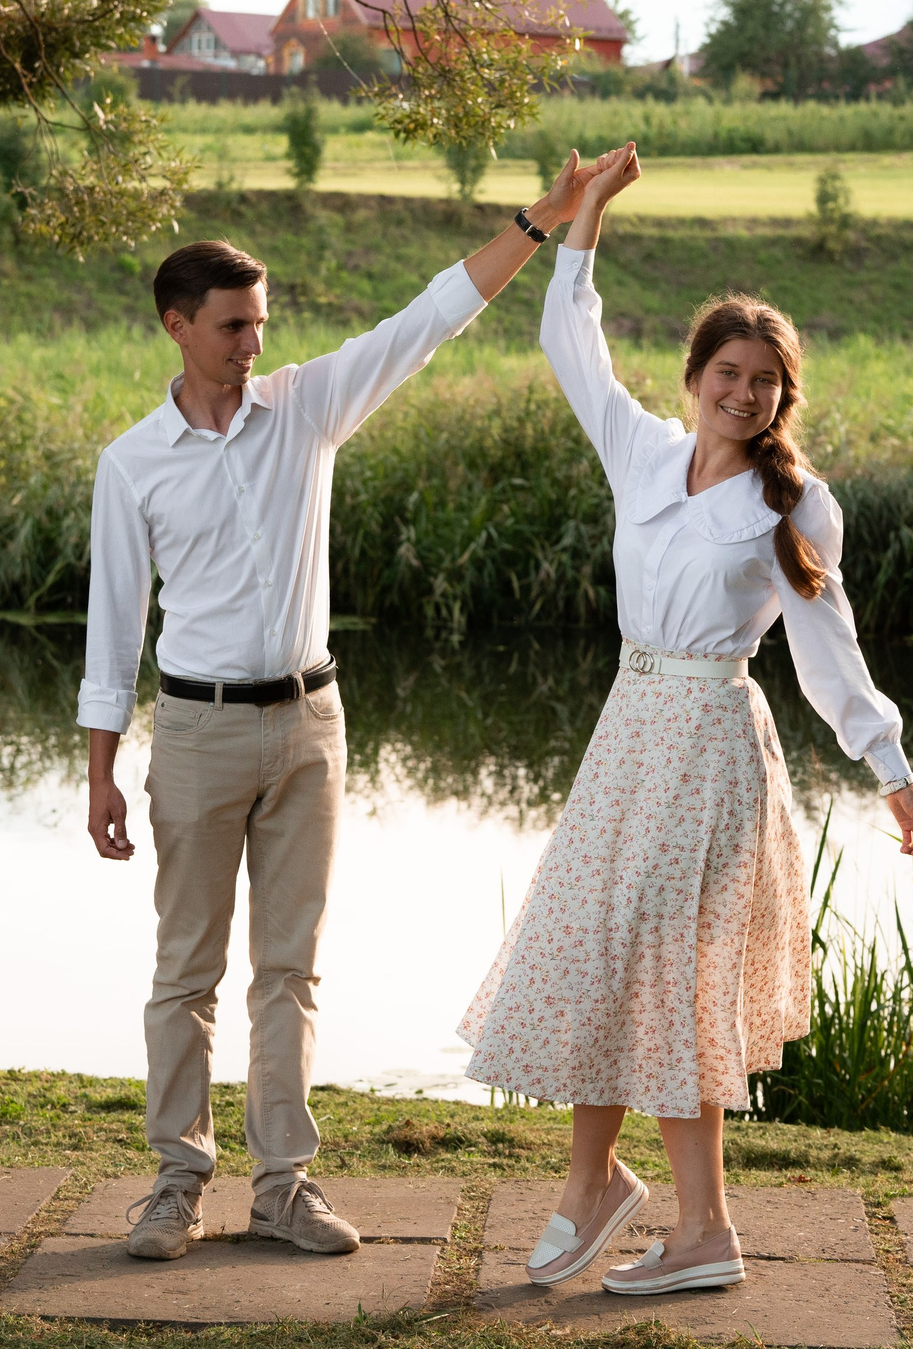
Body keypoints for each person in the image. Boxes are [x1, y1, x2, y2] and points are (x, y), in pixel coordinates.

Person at [80, 165, 596, 1262]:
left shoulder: (307, 403)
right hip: (196, 731)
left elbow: (431, 315)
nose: (250, 344)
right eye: (229, 327)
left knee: (292, 968)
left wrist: (540, 220)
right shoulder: (130, 466)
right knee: (186, 971)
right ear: (176, 326)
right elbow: (111, 632)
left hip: (310, 725)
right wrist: (98, 772)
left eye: (259, 323)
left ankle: (282, 1185)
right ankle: (177, 1181)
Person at [459, 142, 913, 1296]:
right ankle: (598, 1186)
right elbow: (565, 338)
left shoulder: (792, 502)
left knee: (670, 970)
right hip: (629, 727)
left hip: (714, 745)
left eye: (763, 379)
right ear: (693, 375)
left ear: (781, 395)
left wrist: (892, 771)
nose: (743, 391)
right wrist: (587, 213)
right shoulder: (640, 452)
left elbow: (832, 653)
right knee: (600, 949)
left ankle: (701, 1227)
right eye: (727, 370)